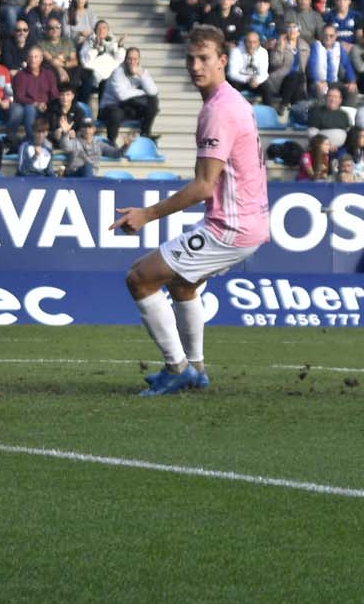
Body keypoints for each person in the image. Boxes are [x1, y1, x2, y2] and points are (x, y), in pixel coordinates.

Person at [111, 27, 270, 396]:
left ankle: (177, 366)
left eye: (204, 59)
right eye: (191, 59)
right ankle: (196, 368)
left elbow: (203, 186)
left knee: (140, 277)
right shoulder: (230, 102)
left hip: (232, 225)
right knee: (183, 283)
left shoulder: (219, 111)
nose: (195, 66)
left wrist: (147, 214)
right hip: (247, 221)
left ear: (223, 62)